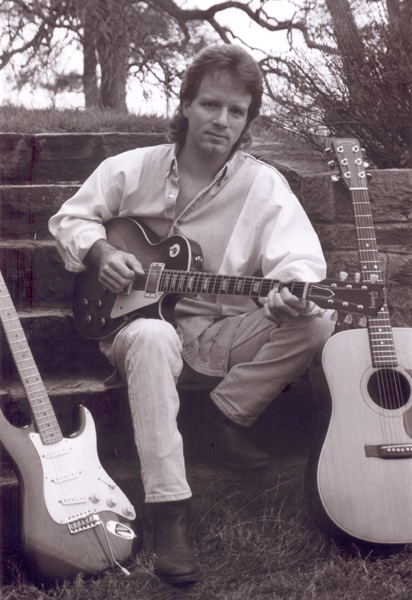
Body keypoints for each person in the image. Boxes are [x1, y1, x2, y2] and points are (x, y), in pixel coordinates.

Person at [49, 44, 336, 584]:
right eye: (210, 104)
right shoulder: (132, 168)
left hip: (222, 333)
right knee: (154, 337)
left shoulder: (263, 185)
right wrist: (102, 253)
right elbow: (70, 219)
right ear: (185, 105)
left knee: (317, 318)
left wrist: (290, 291)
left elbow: (299, 261)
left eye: (236, 111)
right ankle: (170, 514)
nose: (222, 120)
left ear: (248, 121)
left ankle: (227, 414)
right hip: (133, 327)